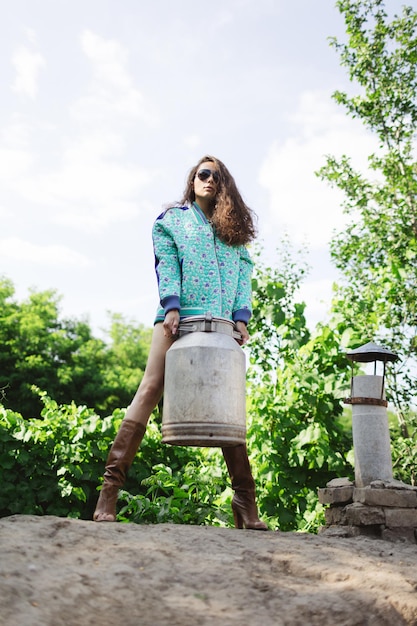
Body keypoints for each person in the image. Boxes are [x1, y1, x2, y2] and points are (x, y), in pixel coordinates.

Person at [93, 155, 268, 530]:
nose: (209, 180)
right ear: (192, 180)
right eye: (203, 174)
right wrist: (171, 306)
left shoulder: (231, 232)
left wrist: (241, 317)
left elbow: (244, 276)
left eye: (216, 177)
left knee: (226, 403)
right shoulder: (172, 221)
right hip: (178, 318)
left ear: (224, 186)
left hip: (220, 326)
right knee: (150, 388)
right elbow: (166, 265)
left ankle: (245, 504)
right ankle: (109, 493)